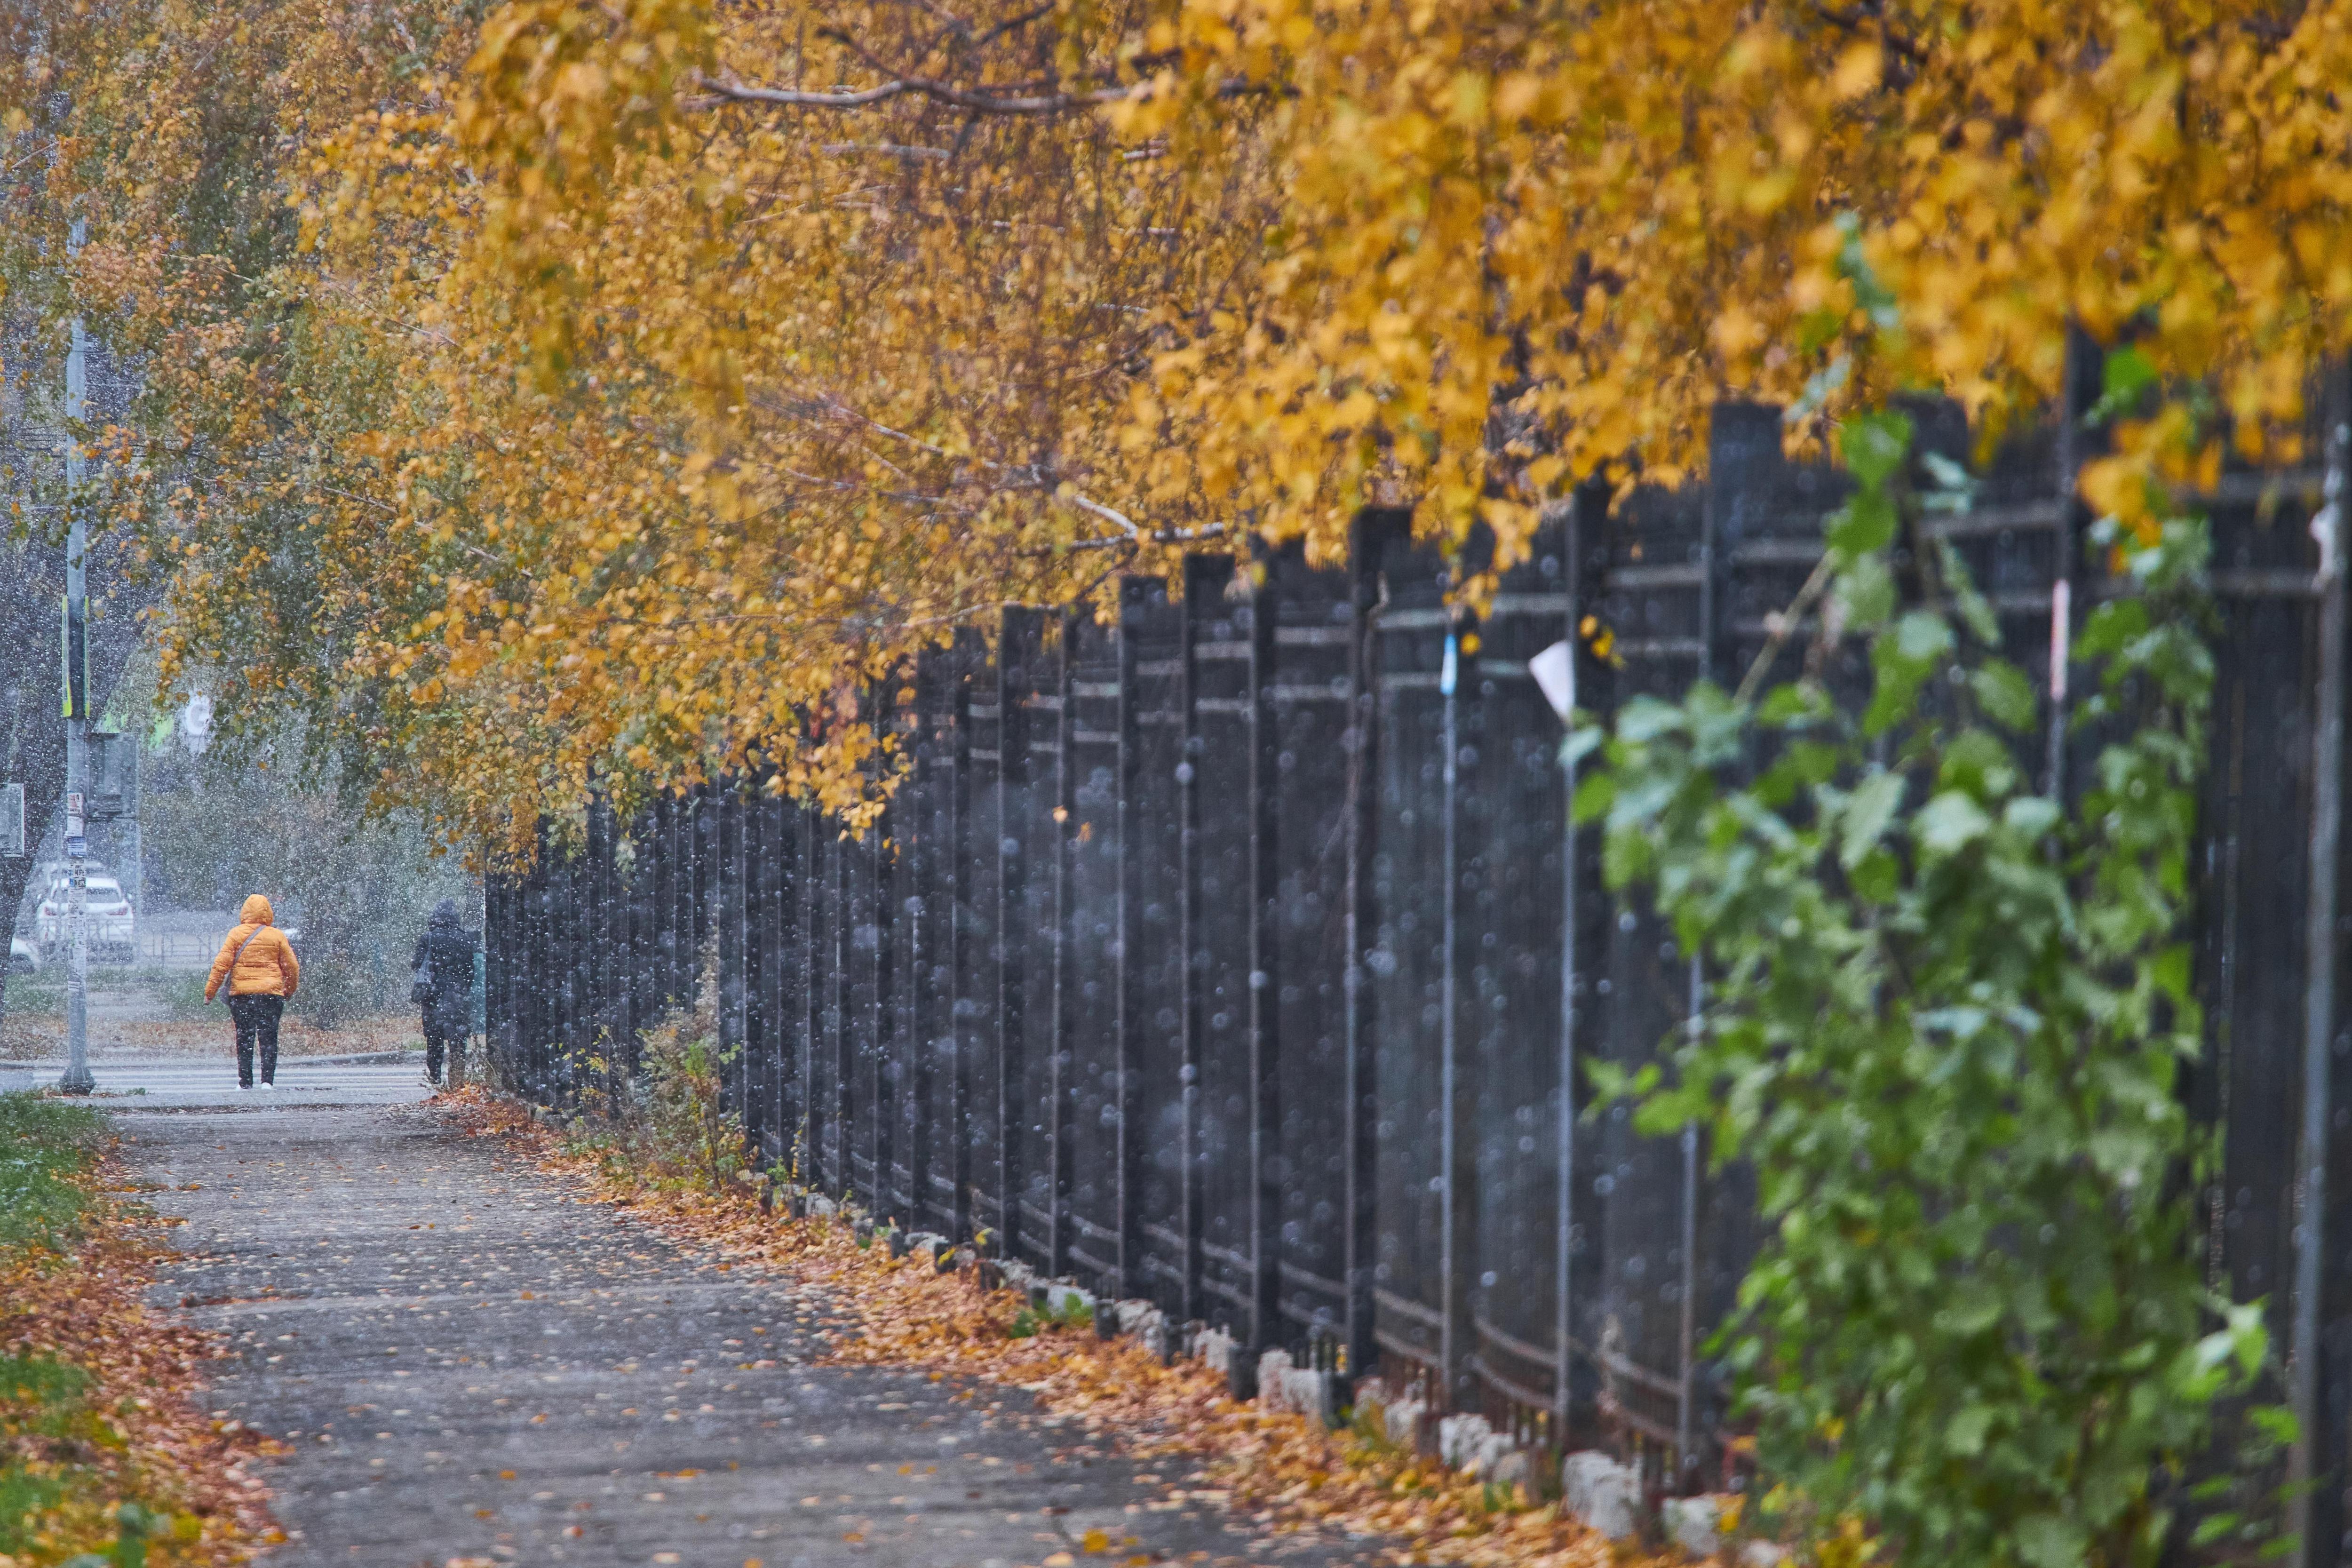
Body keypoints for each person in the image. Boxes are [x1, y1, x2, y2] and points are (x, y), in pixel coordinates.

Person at [205, 895, 301, 1091]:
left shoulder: (236, 934)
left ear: (245, 912)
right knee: (269, 1037)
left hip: (241, 995)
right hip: (271, 994)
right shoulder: (277, 936)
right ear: (268, 912)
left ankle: (245, 1082)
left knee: (245, 1037)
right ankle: (267, 1081)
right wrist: (289, 989)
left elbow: (221, 965)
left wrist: (210, 991)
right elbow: (291, 967)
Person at [411, 899, 478, 1088]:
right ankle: (457, 1080)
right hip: (457, 997)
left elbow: (416, 964)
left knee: (434, 1040)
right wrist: (462, 989)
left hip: (433, 997)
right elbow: (470, 970)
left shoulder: (429, 938)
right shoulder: (465, 938)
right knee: (458, 1041)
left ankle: (435, 1078)